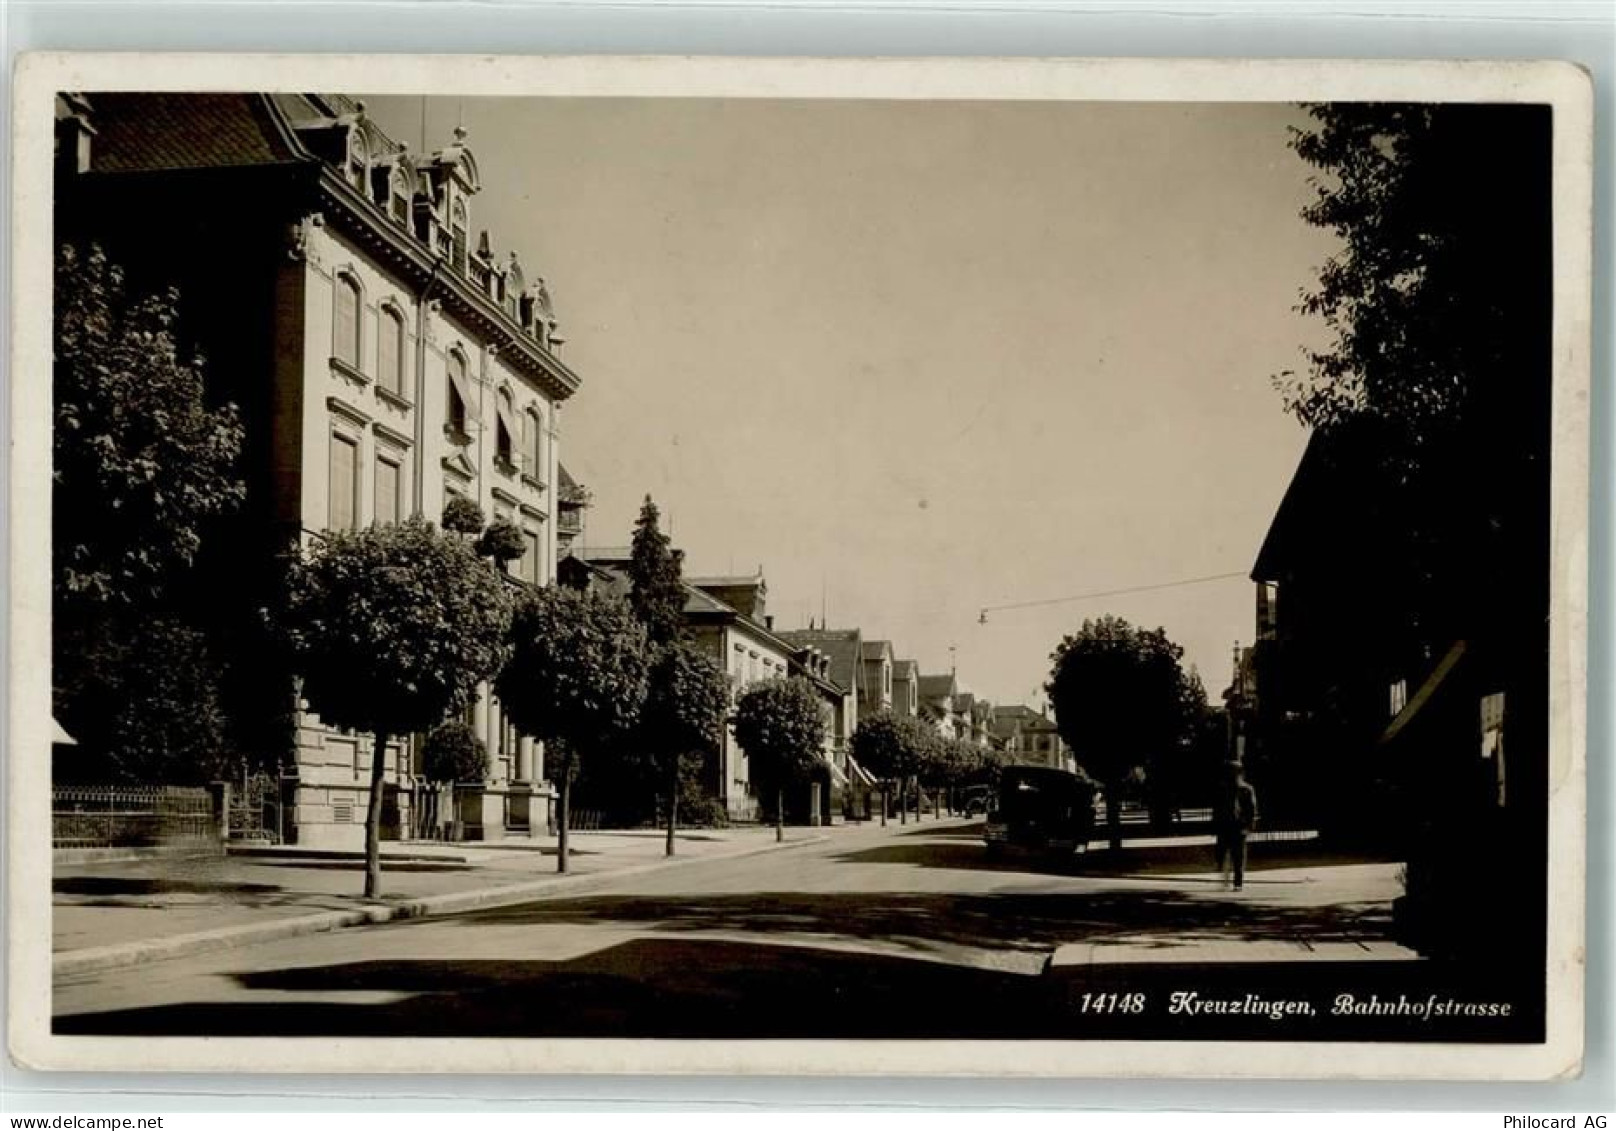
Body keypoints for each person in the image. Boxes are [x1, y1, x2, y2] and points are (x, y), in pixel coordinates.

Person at [1213, 761, 1259, 890]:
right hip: (1225, 825)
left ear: (1240, 773)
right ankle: (1224, 872)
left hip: (1239, 826)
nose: (1233, 776)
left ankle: (1238, 882)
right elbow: (1217, 808)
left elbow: (1252, 808)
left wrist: (1250, 825)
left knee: (1239, 855)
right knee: (1222, 851)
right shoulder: (1222, 788)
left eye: (1235, 773)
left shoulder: (1246, 789)